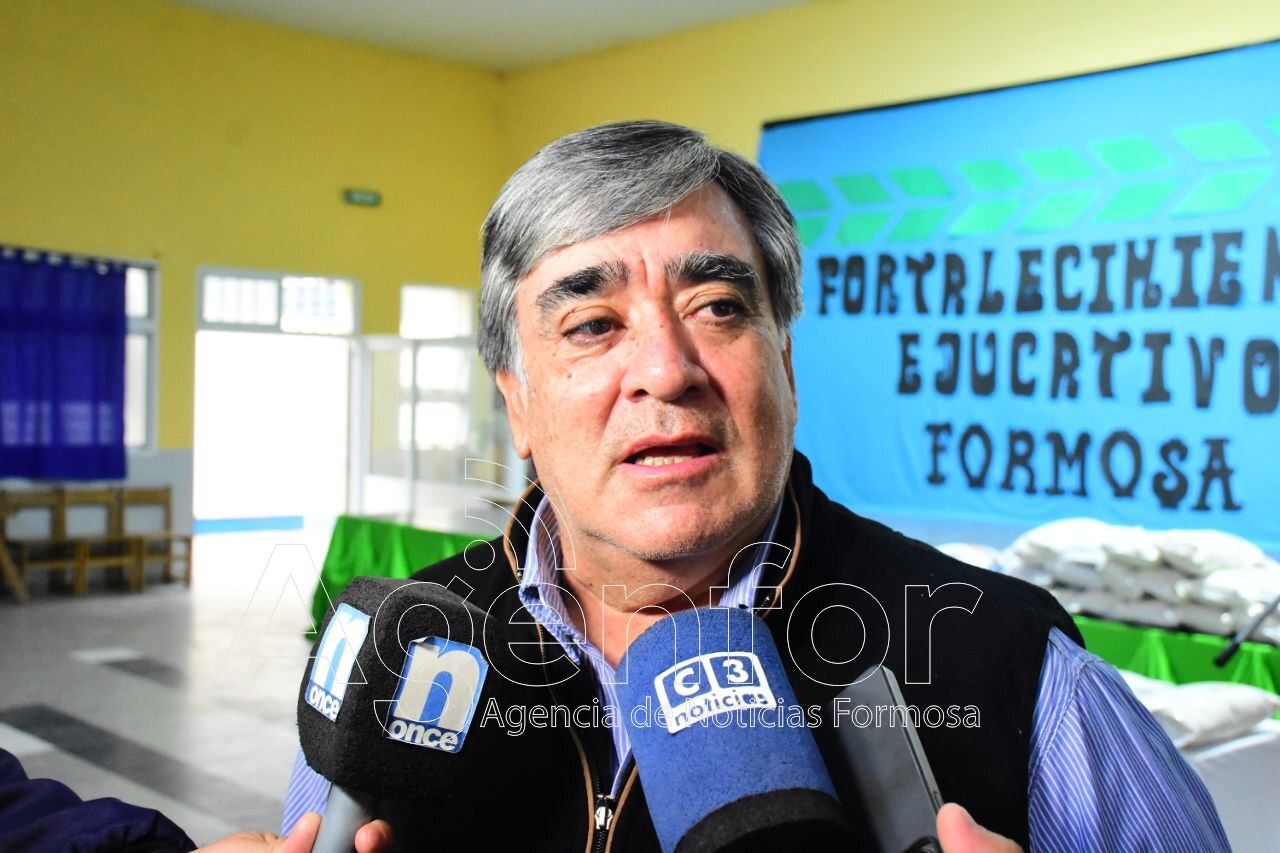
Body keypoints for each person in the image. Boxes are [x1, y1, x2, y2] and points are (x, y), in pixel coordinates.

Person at [275, 121, 1229, 852]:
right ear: (517, 403)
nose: (666, 369)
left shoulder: (1011, 662)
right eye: (593, 325)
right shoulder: (407, 650)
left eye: (718, 306)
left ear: (786, 367)